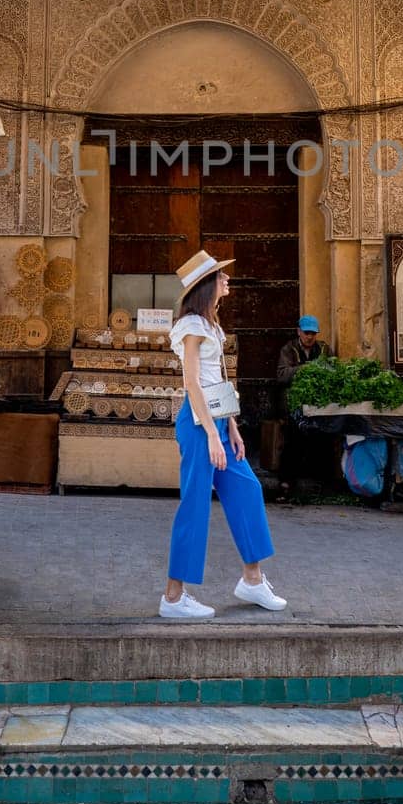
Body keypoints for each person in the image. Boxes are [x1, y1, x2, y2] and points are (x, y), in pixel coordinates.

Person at [159, 250, 287, 620]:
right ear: (206, 284)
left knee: (247, 487)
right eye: (221, 276)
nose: (227, 280)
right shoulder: (192, 327)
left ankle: (252, 578)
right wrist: (211, 436)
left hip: (216, 422)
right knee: (195, 502)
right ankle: (173, 596)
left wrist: (230, 425)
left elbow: (219, 380)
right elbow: (193, 384)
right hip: (197, 423)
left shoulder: (212, 324)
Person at [276, 313, 335, 495]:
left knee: (323, 441)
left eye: (313, 334)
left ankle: (322, 482)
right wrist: (304, 369)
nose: (310, 337)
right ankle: (286, 481)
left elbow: (334, 370)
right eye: (307, 333)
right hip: (295, 404)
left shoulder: (324, 350)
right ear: (299, 332)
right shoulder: (288, 349)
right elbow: (282, 375)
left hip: (319, 404)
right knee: (293, 441)